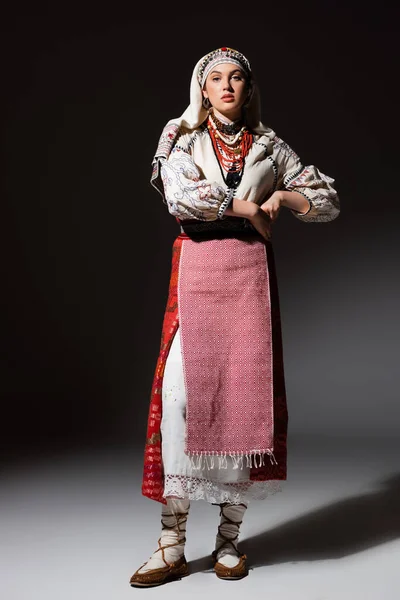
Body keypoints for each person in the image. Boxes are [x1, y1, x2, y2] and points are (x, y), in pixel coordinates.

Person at [130, 46, 340, 587]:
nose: (226, 86)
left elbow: (327, 199)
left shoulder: (270, 145)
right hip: (200, 270)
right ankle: (171, 543)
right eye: (215, 77)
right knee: (181, 400)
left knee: (245, 406)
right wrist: (249, 207)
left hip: (247, 278)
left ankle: (228, 543)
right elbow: (183, 196)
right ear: (201, 88)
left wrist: (286, 201)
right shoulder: (181, 137)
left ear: (249, 89)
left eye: (237, 77)